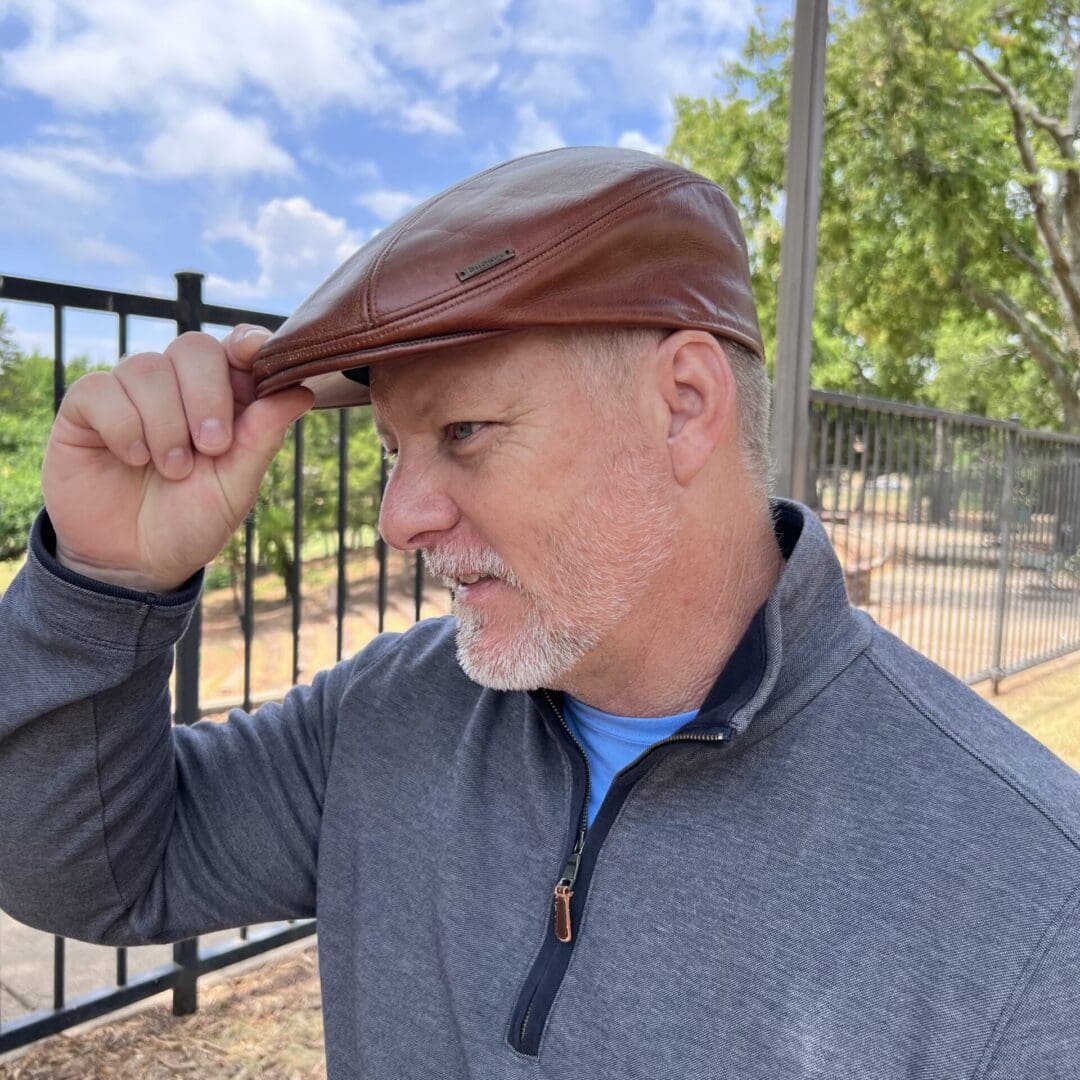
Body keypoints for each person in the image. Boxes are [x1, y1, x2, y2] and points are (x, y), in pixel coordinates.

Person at [0, 147, 1077, 1079]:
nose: (399, 518)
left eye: (464, 432)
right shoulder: (387, 715)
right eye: (391, 452)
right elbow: (82, 870)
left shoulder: (1029, 900)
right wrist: (104, 584)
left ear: (684, 406)